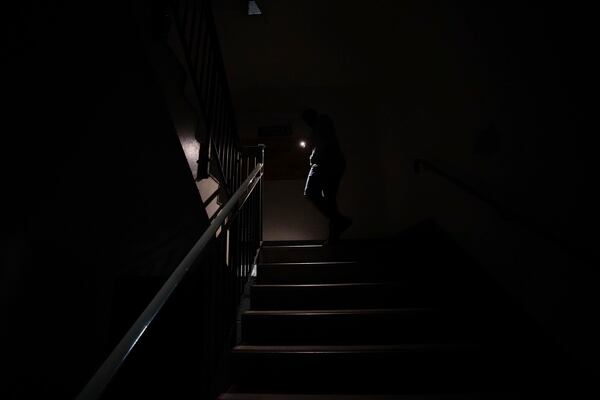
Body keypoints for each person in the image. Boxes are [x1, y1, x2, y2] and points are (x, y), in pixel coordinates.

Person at [301, 108, 352, 243]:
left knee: (315, 194)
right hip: (331, 163)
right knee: (329, 199)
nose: (307, 123)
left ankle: (338, 223)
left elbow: (322, 142)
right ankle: (336, 230)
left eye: (307, 119)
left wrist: (312, 148)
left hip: (327, 163)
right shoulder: (320, 127)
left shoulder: (322, 122)